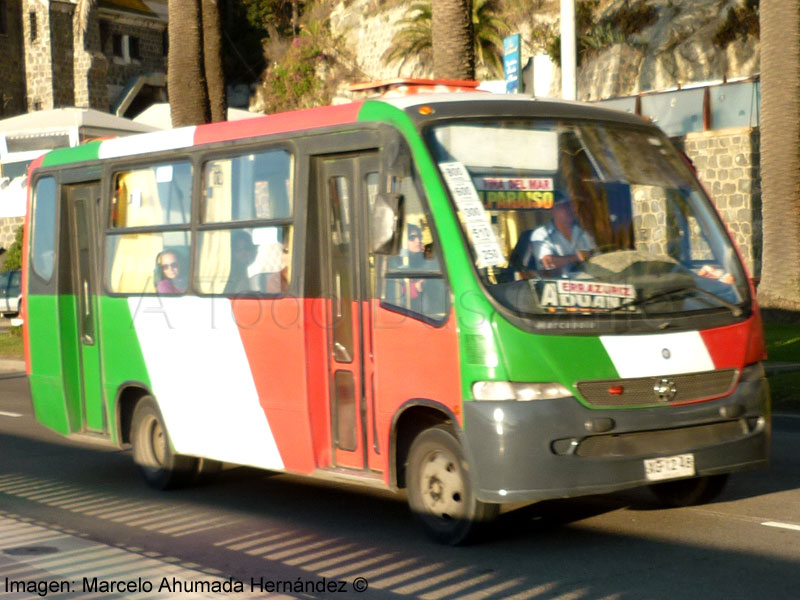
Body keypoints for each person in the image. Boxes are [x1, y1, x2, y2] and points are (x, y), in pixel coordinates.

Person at [530, 195, 595, 272]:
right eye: (564, 206)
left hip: (588, 278)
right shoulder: (540, 234)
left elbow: (596, 256)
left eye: (571, 205)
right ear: (552, 210)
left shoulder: (583, 231)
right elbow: (549, 263)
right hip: (556, 280)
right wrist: (577, 257)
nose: (570, 209)